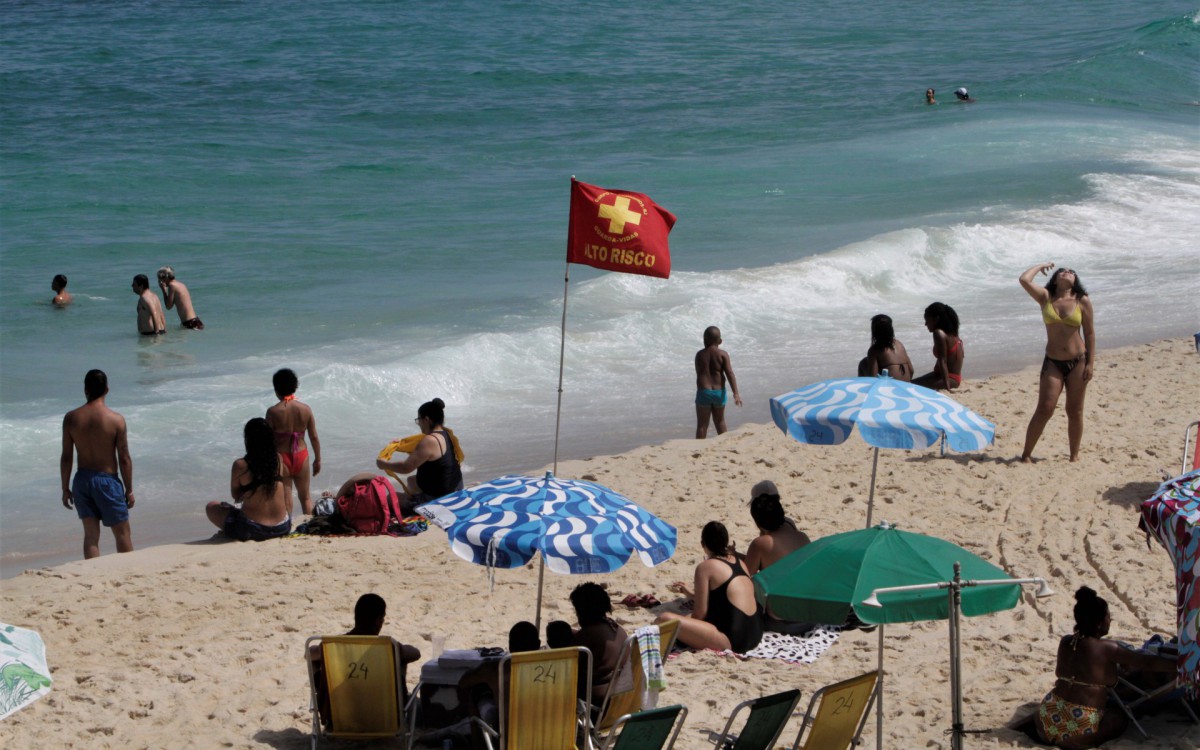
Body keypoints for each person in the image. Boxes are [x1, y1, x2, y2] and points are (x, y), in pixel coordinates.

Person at [1035, 586, 1174, 748]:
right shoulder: (1108, 648)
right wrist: (1183, 666)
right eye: (1108, 616)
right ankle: (1076, 741)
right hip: (1080, 722)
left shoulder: (1066, 641)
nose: (1110, 620)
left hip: (1046, 716)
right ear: (1099, 623)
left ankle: (1057, 737)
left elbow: (1071, 670)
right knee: (1118, 719)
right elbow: (1148, 663)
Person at [1019, 263, 1095, 463]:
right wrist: (1041, 265)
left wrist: (1090, 363)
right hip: (1053, 362)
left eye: (1072, 271)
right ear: (1054, 279)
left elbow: (1089, 333)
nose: (1068, 272)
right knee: (1045, 407)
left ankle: (1074, 455)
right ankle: (1026, 454)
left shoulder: (1082, 300)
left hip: (1078, 361)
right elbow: (1024, 280)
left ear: (1075, 281)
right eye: (1062, 271)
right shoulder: (1045, 297)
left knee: (1075, 409)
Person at [309, 593, 421, 727]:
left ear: (356, 616)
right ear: (379, 620)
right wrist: (400, 650)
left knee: (318, 660)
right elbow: (415, 653)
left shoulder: (335, 645)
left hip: (338, 719)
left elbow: (309, 654)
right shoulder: (388, 647)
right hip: (384, 719)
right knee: (401, 660)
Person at [60, 369, 134, 559]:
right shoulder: (116, 420)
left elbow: (66, 457)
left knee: (91, 537)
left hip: (82, 481)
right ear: (107, 390)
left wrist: (65, 488)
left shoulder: (71, 418)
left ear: (85, 390)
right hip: (107, 482)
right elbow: (124, 458)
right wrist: (129, 489)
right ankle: (127, 571)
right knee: (122, 534)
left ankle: (92, 574)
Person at [658, 521, 763, 653]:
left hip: (733, 640)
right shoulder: (740, 562)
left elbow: (700, 615)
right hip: (755, 633)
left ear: (703, 544)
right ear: (726, 542)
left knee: (664, 619)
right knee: (686, 619)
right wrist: (691, 594)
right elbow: (725, 598)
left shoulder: (705, 567)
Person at [205, 418, 292, 541]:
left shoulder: (241, 465)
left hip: (253, 530)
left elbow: (235, 495)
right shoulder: (278, 459)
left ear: (248, 440)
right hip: (282, 527)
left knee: (211, 506)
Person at [375, 398, 463, 514]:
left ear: (426, 419)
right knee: (411, 481)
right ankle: (413, 499)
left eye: (418, 420)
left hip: (441, 499)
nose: (419, 424)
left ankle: (416, 504)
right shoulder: (446, 434)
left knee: (391, 497)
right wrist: (400, 445)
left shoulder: (429, 440)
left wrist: (383, 464)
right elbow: (426, 456)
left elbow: (405, 468)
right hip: (455, 488)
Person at [265, 368, 321, 515]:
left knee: (287, 498)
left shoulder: (273, 412)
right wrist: (318, 459)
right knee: (306, 498)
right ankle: (310, 526)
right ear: (295, 387)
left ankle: (288, 528)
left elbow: (267, 440)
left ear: (276, 389)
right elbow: (314, 437)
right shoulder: (305, 409)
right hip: (302, 456)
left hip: (282, 458)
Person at [567, 582, 629, 706]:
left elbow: (568, 668)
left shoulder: (588, 635)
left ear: (583, 611)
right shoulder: (616, 629)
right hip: (620, 698)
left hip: (595, 703)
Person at [694, 326, 743, 439]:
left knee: (702, 425)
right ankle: (723, 446)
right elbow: (730, 373)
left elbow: (699, 373)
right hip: (719, 392)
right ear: (720, 341)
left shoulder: (700, 355)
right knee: (720, 421)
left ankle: (699, 449)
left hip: (704, 392)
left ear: (704, 340)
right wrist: (736, 393)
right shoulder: (723, 354)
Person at [913, 302, 963, 390]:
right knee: (910, 383)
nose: (925, 324)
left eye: (927, 320)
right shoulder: (953, 333)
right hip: (952, 377)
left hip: (948, 378)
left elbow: (942, 361)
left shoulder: (939, 333)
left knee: (911, 386)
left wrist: (947, 387)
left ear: (936, 319)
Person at [857, 314, 914, 381]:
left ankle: (862, 388)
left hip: (890, 388)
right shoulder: (899, 344)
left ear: (874, 331)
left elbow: (873, 377)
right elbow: (911, 370)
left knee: (863, 363)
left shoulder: (875, 350)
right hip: (906, 385)